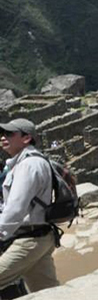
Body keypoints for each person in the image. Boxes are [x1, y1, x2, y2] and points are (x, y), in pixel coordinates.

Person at [0, 118, 59, 292]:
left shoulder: (28, 165)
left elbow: (15, 208)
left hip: (29, 239)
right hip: (39, 236)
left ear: (26, 138)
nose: (3, 137)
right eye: (3, 134)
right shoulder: (29, 161)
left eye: (9, 134)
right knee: (46, 290)